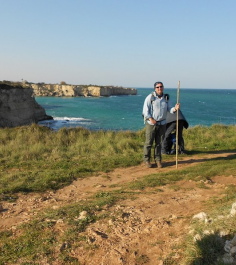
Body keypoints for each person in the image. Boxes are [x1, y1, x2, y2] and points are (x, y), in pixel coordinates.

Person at [142, 81, 180, 168]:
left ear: (163, 87)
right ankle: (147, 160)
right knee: (149, 142)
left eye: (161, 87)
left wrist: (175, 108)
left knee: (159, 143)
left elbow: (169, 109)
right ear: (155, 88)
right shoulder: (150, 97)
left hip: (162, 123)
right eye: (158, 87)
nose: (159, 88)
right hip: (151, 124)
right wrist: (151, 119)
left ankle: (158, 160)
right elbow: (145, 111)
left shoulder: (166, 98)